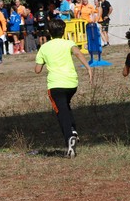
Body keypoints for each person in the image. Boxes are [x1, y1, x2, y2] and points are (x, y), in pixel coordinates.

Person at [34, 19, 92, 159]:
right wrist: (88, 68)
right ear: (64, 31)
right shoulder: (69, 43)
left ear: (49, 32)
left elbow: (37, 70)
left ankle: (69, 138)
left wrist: (42, 62)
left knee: (61, 113)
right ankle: (73, 130)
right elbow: (78, 53)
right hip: (71, 84)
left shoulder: (44, 47)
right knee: (66, 106)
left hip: (55, 85)